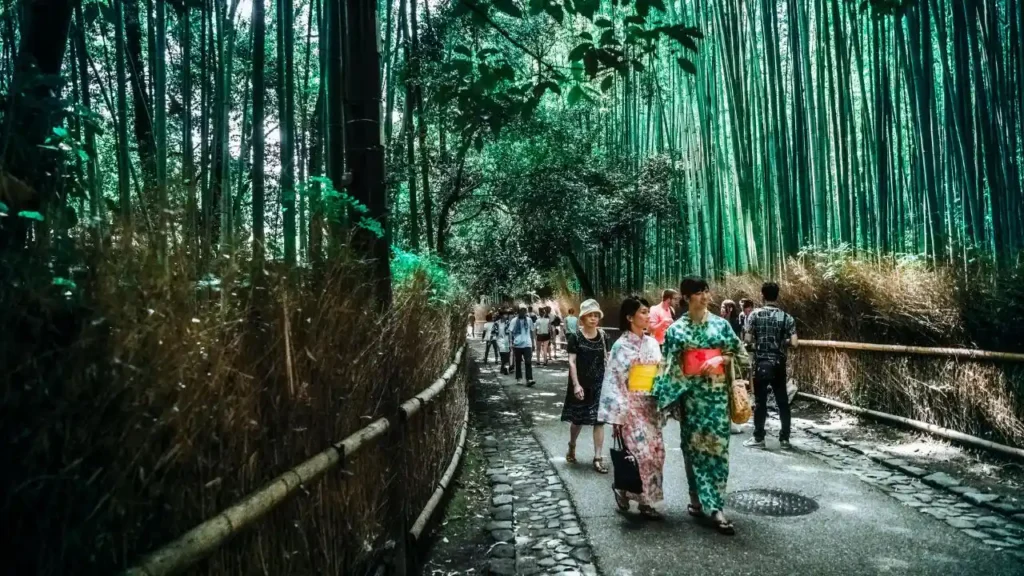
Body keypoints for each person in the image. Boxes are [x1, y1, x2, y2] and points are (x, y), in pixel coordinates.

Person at [653, 276, 749, 535]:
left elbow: (742, 356)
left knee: (718, 452)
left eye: (706, 291)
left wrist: (720, 358)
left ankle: (716, 507)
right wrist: (666, 396)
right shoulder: (676, 331)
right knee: (692, 450)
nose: (705, 296)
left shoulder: (721, 325)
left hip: (717, 399)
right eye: (699, 292)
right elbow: (669, 367)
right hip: (691, 400)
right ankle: (695, 497)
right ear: (686, 297)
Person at [599, 295, 666, 519]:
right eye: (643, 312)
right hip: (630, 406)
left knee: (656, 454)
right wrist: (617, 416)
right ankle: (626, 491)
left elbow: (660, 373)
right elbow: (614, 381)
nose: (648, 316)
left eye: (648, 312)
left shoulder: (652, 343)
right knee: (639, 454)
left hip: (650, 405)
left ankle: (645, 500)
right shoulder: (620, 346)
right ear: (630, 317)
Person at [743, 282, 799, 450]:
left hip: (761, 363)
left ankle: (759, 437)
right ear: (777, 295)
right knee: (782, 401)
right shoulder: (786, 317)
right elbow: (794, 343)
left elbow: (747, 340)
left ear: (762, 295)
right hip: (778, 363)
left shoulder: (754, 315)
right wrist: (782, 341)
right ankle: (785, 439)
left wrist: (757, 343)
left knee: (761, 401)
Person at [562, 299, 611, 474]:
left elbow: (608, 358)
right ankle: (572, 444)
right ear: (582, 318)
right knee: (578, 420)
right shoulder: (575, 337)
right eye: (590, 315)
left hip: (599, 383)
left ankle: (598, 458)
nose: (593, 318)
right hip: (581, 382)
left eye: (596, 315)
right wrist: (576, 385)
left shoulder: (604, 336)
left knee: (599, 421)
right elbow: (572, 362)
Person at [509, 306, 536, 387]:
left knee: (528, 361)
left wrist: (533, 343)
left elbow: (531, 331)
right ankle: (519, 378)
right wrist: (511, 343)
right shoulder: (514, 321)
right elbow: (510, 332)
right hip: (517, 344)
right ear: (518, 312)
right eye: (521, 311)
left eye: (524, 311)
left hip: (527, 344)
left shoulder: (529, 320)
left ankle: (529, 379)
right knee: (518, 362)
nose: (523, 313)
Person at [497, 309, 512, 374]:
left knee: (506, 355)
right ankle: (503, 368)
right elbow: (493, 332)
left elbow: (510, 332)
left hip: (506, 340)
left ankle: (504, 368)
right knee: (502, 355)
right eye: (504, 314)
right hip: (499, 340)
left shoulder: (508, 323)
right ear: (501, 315)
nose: (506, 316)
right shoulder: (497, 323)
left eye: (506, 314)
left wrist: (511, 341)